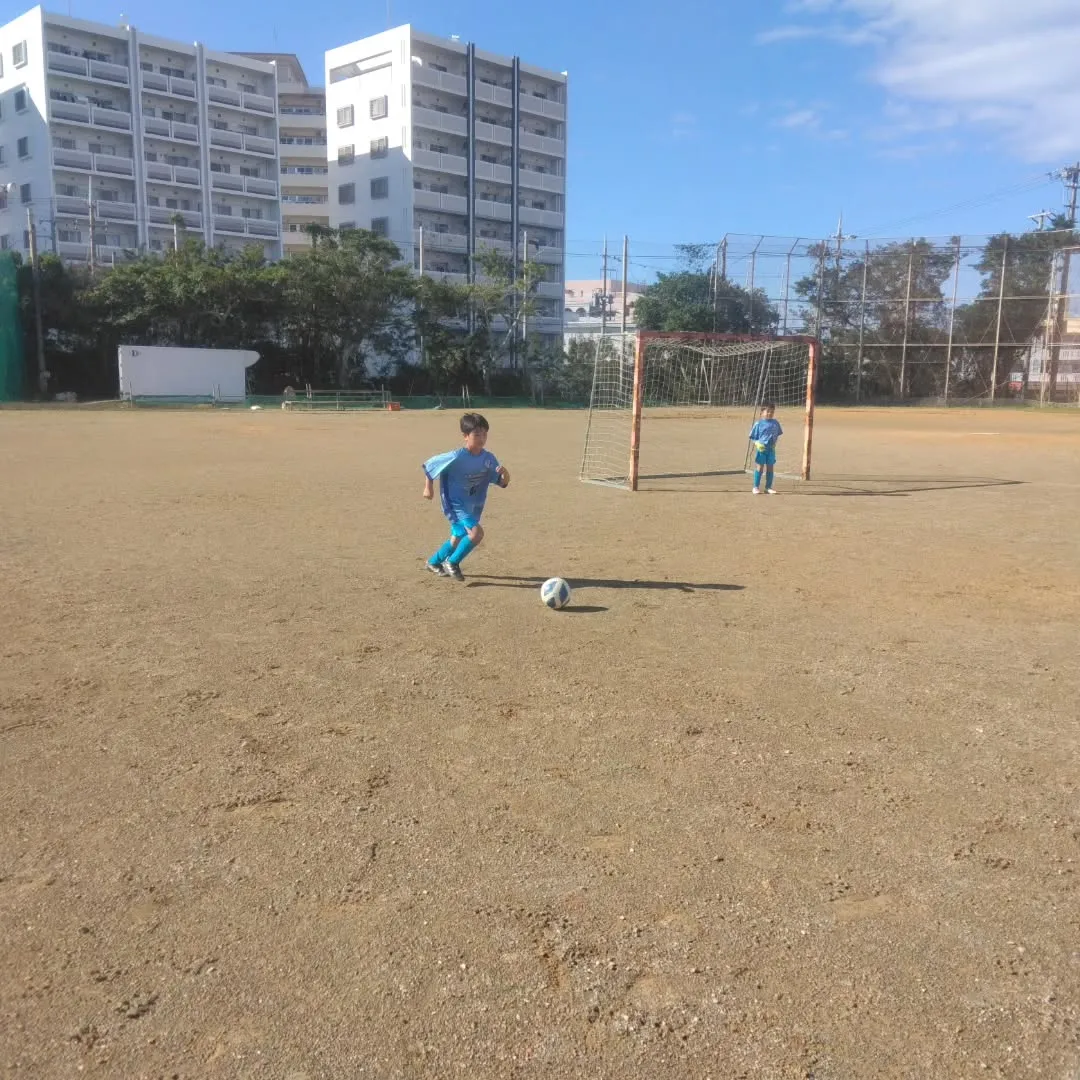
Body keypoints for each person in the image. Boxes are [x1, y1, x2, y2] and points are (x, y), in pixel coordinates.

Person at [422, 412, 510, 581]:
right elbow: (429, 465)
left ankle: (433, 562)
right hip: (455, 504)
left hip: (473, 505)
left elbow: (503, 483)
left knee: (457, 538)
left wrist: (505, 473)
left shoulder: (488, 458)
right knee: (476, 533)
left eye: (484, 434)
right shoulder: (456, 457)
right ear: (465, 436)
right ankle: (453, 562)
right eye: (477, 434)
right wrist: (428, 488)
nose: (481, 438)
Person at [748, 402, 783, 495]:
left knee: (770, 468)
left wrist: (774, 443)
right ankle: (755, 487)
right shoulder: (758, 424)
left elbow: (778, 434)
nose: (770, 413)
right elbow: (752, 436)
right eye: (767, 411)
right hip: (761, 450)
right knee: (760, 467)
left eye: (772, 412)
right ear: (762, 412)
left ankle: (768, 487)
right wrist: (757, 444)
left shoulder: (776, 423)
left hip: (771, 450)